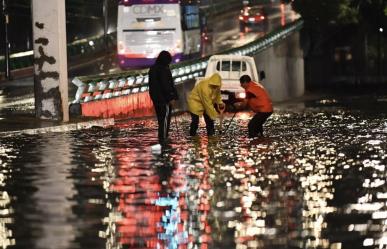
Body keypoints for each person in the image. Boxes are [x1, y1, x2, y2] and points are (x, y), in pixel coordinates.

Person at [148, 50, 179, 145]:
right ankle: (163, 138)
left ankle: (162, 137)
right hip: (164, 99)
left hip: (156, 99)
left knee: (161, 120)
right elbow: (166, 85)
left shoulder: (152, 69)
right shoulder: (163, 69)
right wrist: (171, 97)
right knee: (165, 119)